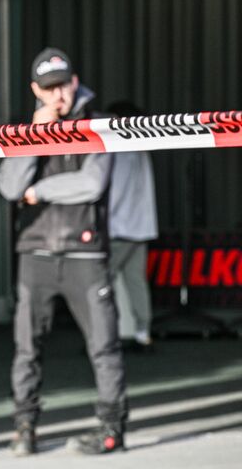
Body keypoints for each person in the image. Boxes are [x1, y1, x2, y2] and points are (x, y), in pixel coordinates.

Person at [0, 47, 128, 456]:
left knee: (104, 345)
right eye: (49, 88)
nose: (58, 95)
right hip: (35, 251)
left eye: (63, 85)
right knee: (26, 348)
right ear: (36, 90)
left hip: (85, 253)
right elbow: (9, 187)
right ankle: (24, 427)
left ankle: (112, 428)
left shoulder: (97, 123)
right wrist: (33, 138)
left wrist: (39, 191)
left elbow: (92, 184)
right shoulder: (26, 129)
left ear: (75, 82)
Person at [106, 101, 158, 352]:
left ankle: (103, 336)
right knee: (136, 281)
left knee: (100, 281)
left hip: (120, 227)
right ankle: (143, 334)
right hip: (141, 227)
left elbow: (116, 192)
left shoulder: (119, 149)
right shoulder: (140, 147)